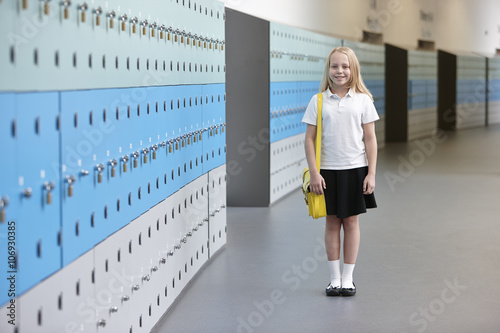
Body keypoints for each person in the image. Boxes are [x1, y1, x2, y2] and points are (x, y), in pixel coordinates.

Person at [302, 46, 379, 297]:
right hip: (327, 172)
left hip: (355, 170)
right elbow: (309, 140)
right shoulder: (318, 100)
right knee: (332, 221)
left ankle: (348, 278)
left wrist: (371, 173)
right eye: (334, 66)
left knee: (352, 221)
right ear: (329, 69)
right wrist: (314, 173)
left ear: (353, 69)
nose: (339, 71)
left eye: (345, 66)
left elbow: (370, 139)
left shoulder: (363, 100)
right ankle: (334, 279)